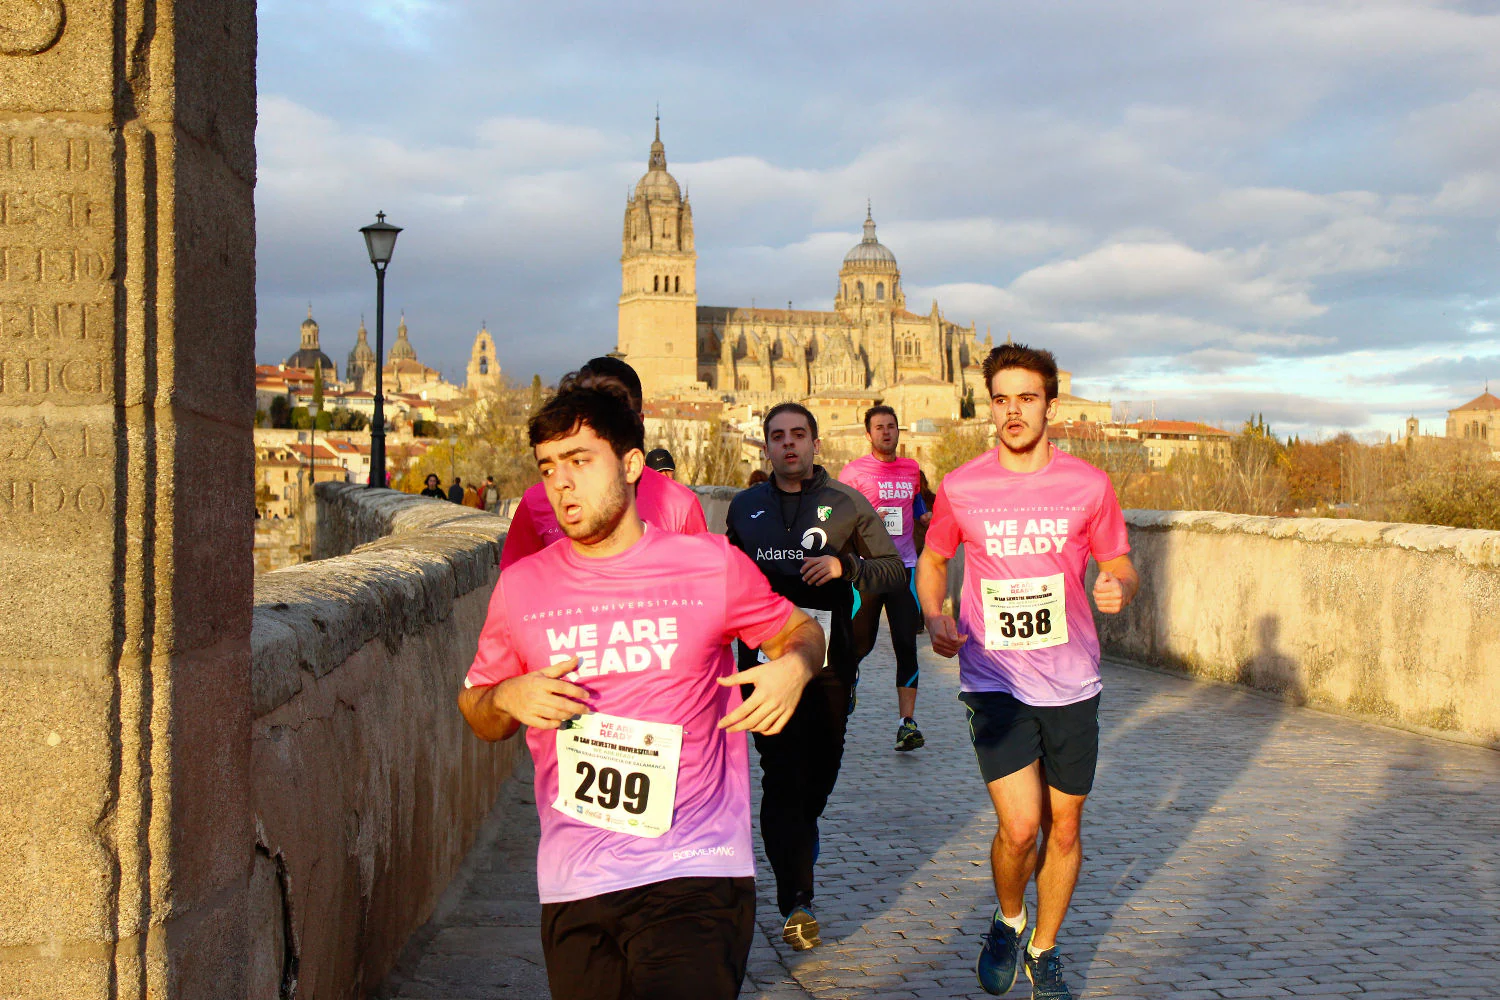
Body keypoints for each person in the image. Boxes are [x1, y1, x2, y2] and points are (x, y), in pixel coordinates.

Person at [459, 374, 825, 1000]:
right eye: (549, 469)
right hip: (578, 881)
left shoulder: (708, 564)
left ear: (630, 465)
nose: (562, 484)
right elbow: (477, 707)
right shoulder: (522, 588)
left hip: (697, 868)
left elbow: (799, 630)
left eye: (580, 461)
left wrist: (794, 667)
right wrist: (507, 697)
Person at [915, 344, 1138, 1000]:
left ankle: (1045, 949)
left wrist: (1118, 586)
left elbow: (1120, 562)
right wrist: (934, 613)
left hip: (1072, 680)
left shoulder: (1088, 485)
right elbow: (933, 560)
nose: (1013, 411)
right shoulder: (962, 485)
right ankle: (1009, 919)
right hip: (995, 681)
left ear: (1050, 405)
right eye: (1002, 399)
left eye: (1027, 398)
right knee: (1019, 828)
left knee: (1064, 826)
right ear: (991, 406)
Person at [725, 402, 906, 951]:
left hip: (830, 664)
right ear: (767, 447)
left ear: (815, 443)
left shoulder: (847, 504)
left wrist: (844, 567)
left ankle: (800, 843)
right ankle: (796, 901)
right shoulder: (745, 506)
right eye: (777, 437)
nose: (788, 445)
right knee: (781, 774)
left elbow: (894, 570)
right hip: (764, 661)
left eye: (798, 435)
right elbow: (724, 576)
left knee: (817, 778)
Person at [501, 357, 707, 569]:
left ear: (639, 423)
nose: (602, 425)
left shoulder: (680, 505)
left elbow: (702, 588)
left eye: (615, 415)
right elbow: (517, 588)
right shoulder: (537, 502)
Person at [839, 405, 931, 752]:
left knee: (907, 646)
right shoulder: (853, 472)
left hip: (904, 568)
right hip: (868, 569)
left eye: (891, 427)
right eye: (879, 427)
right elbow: (837, 514)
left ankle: (907, 724)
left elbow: (917, 502)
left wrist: (923, 517)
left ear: (898, 431)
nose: (886, 432)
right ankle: (847, 683)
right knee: (859, 644)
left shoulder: (911, 469)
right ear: (869, 434)